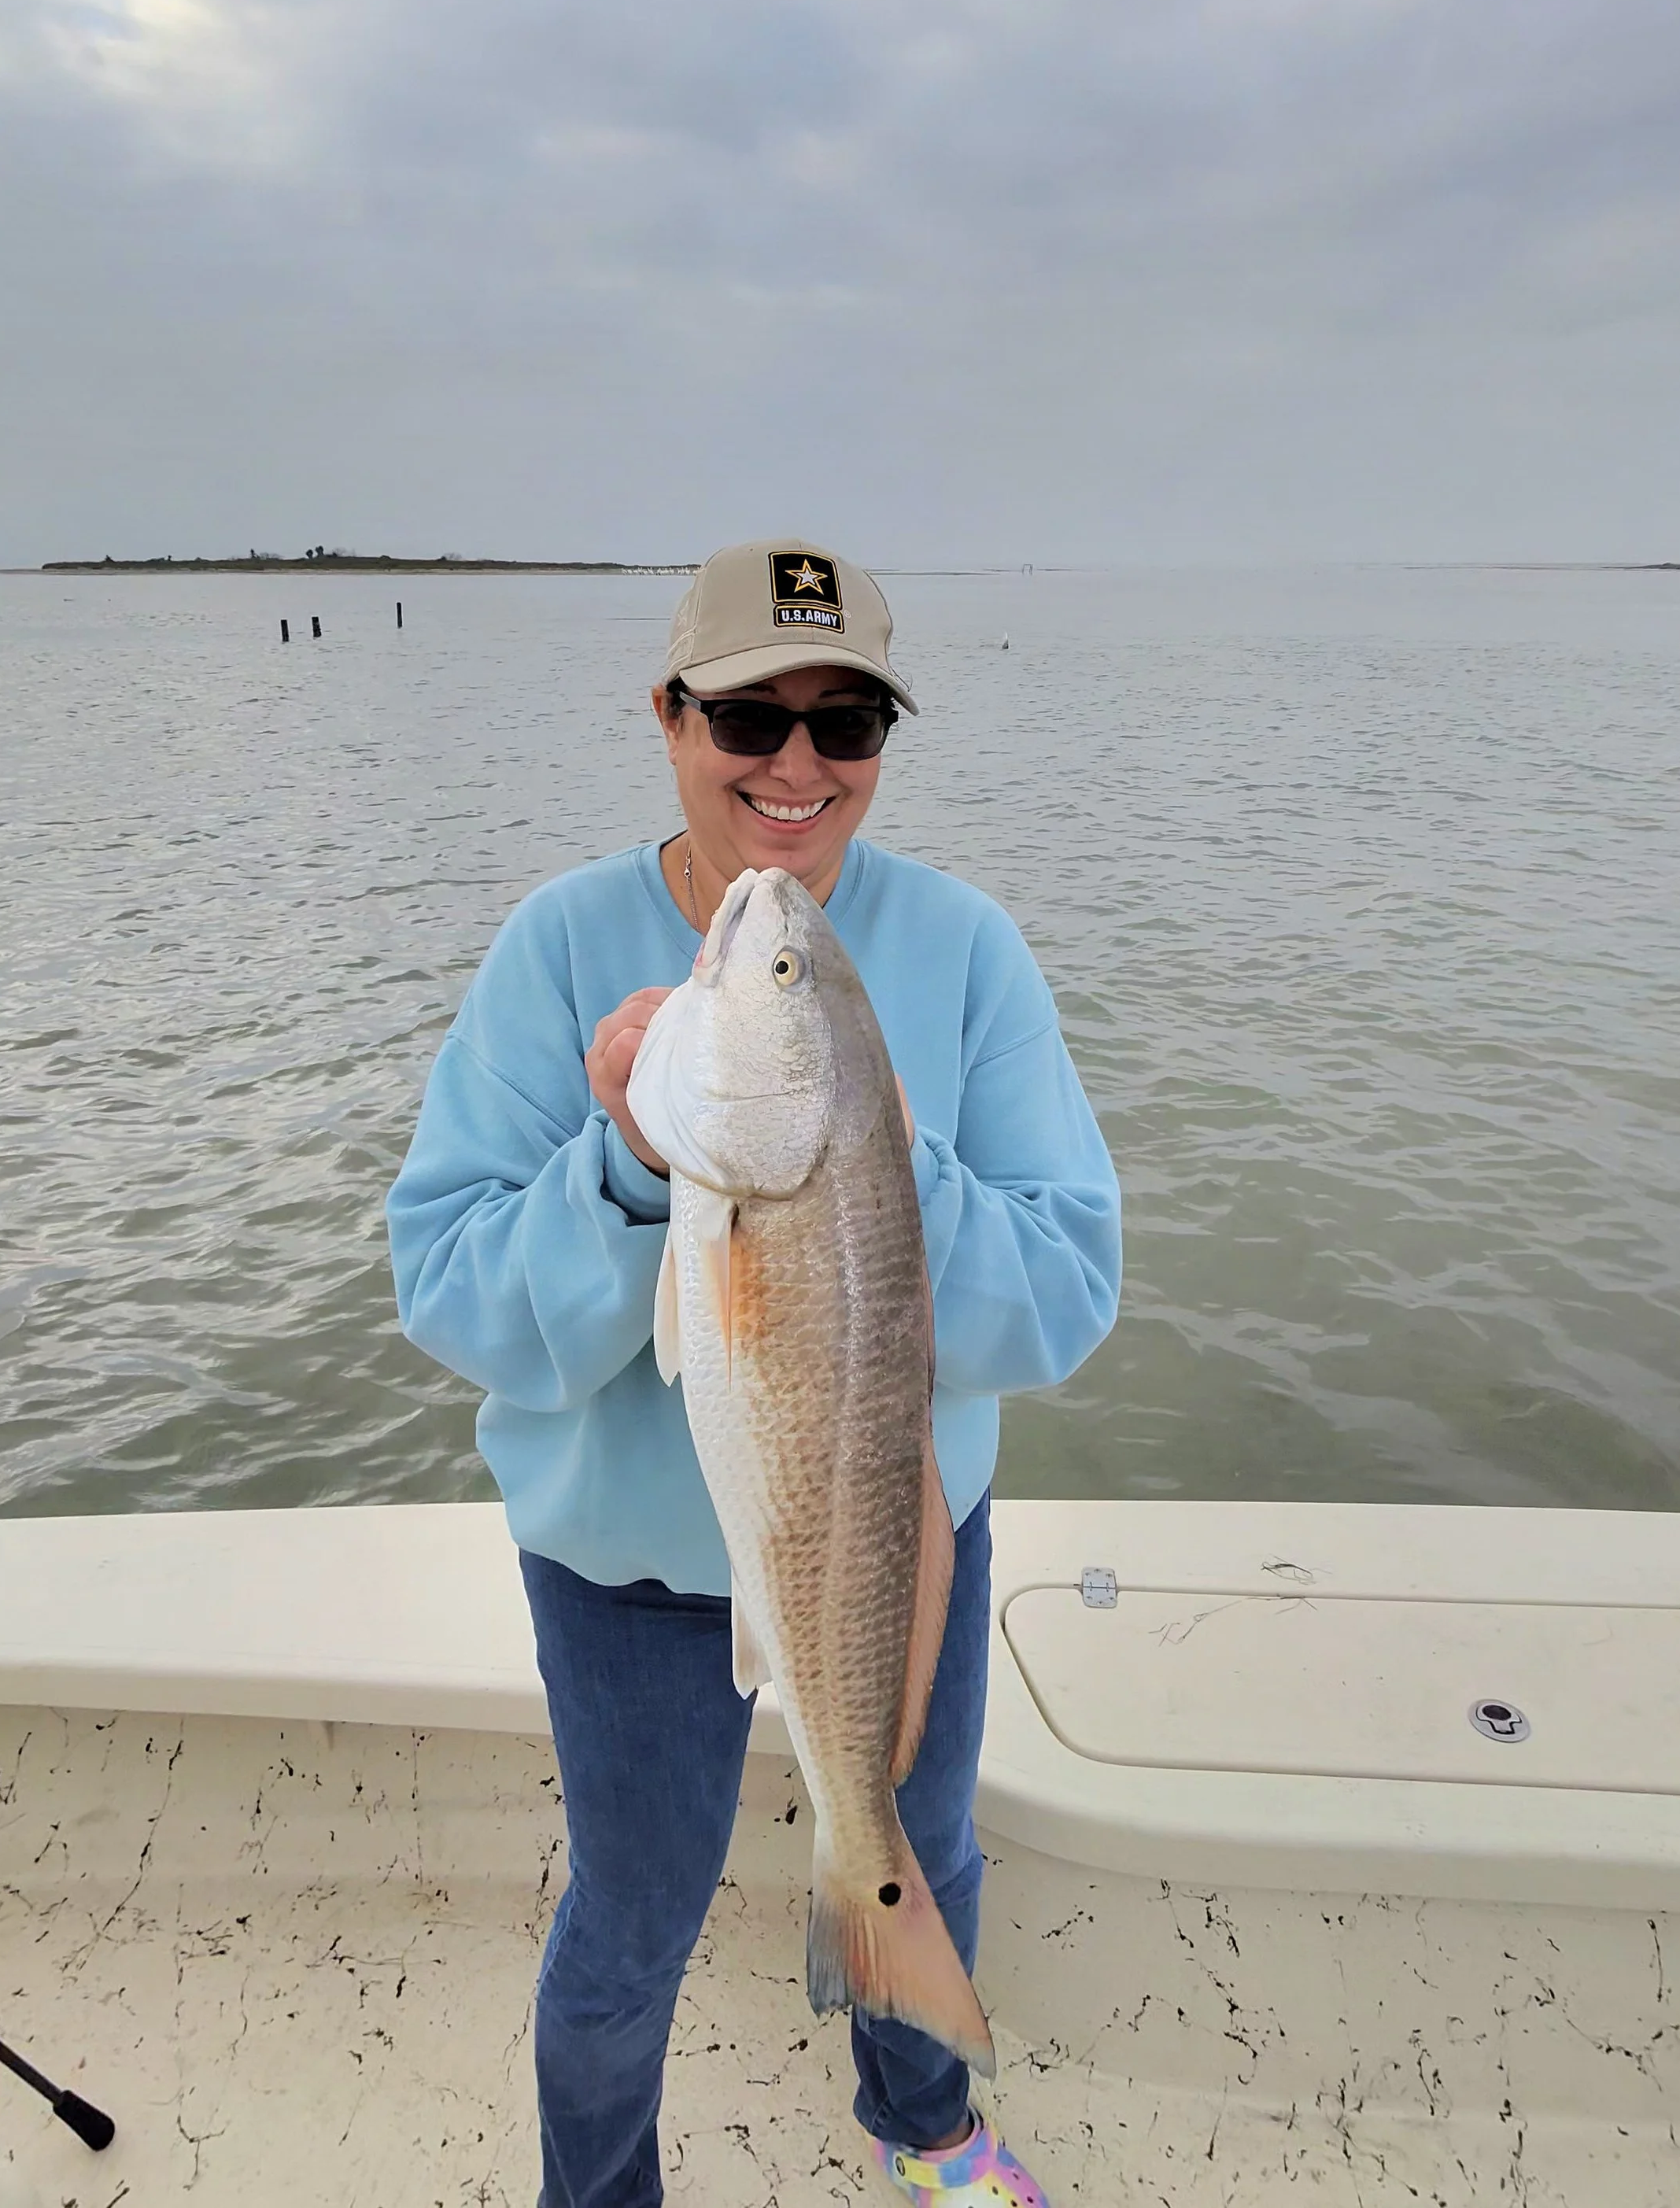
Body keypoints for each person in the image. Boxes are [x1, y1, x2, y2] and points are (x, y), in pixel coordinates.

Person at [386, 541, 1122, 2208]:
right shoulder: (552, 943)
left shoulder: (967, 945)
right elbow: (450, 1292)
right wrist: (635, 1166)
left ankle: (923, 2123)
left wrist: (872, 1160)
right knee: (631, 1913)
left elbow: (1067, 1289)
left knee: (910, 1843)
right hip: (626, 1571)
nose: (796, 767)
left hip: (885, 1541)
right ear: (667, 715)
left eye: (845, 719)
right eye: (748, 716)